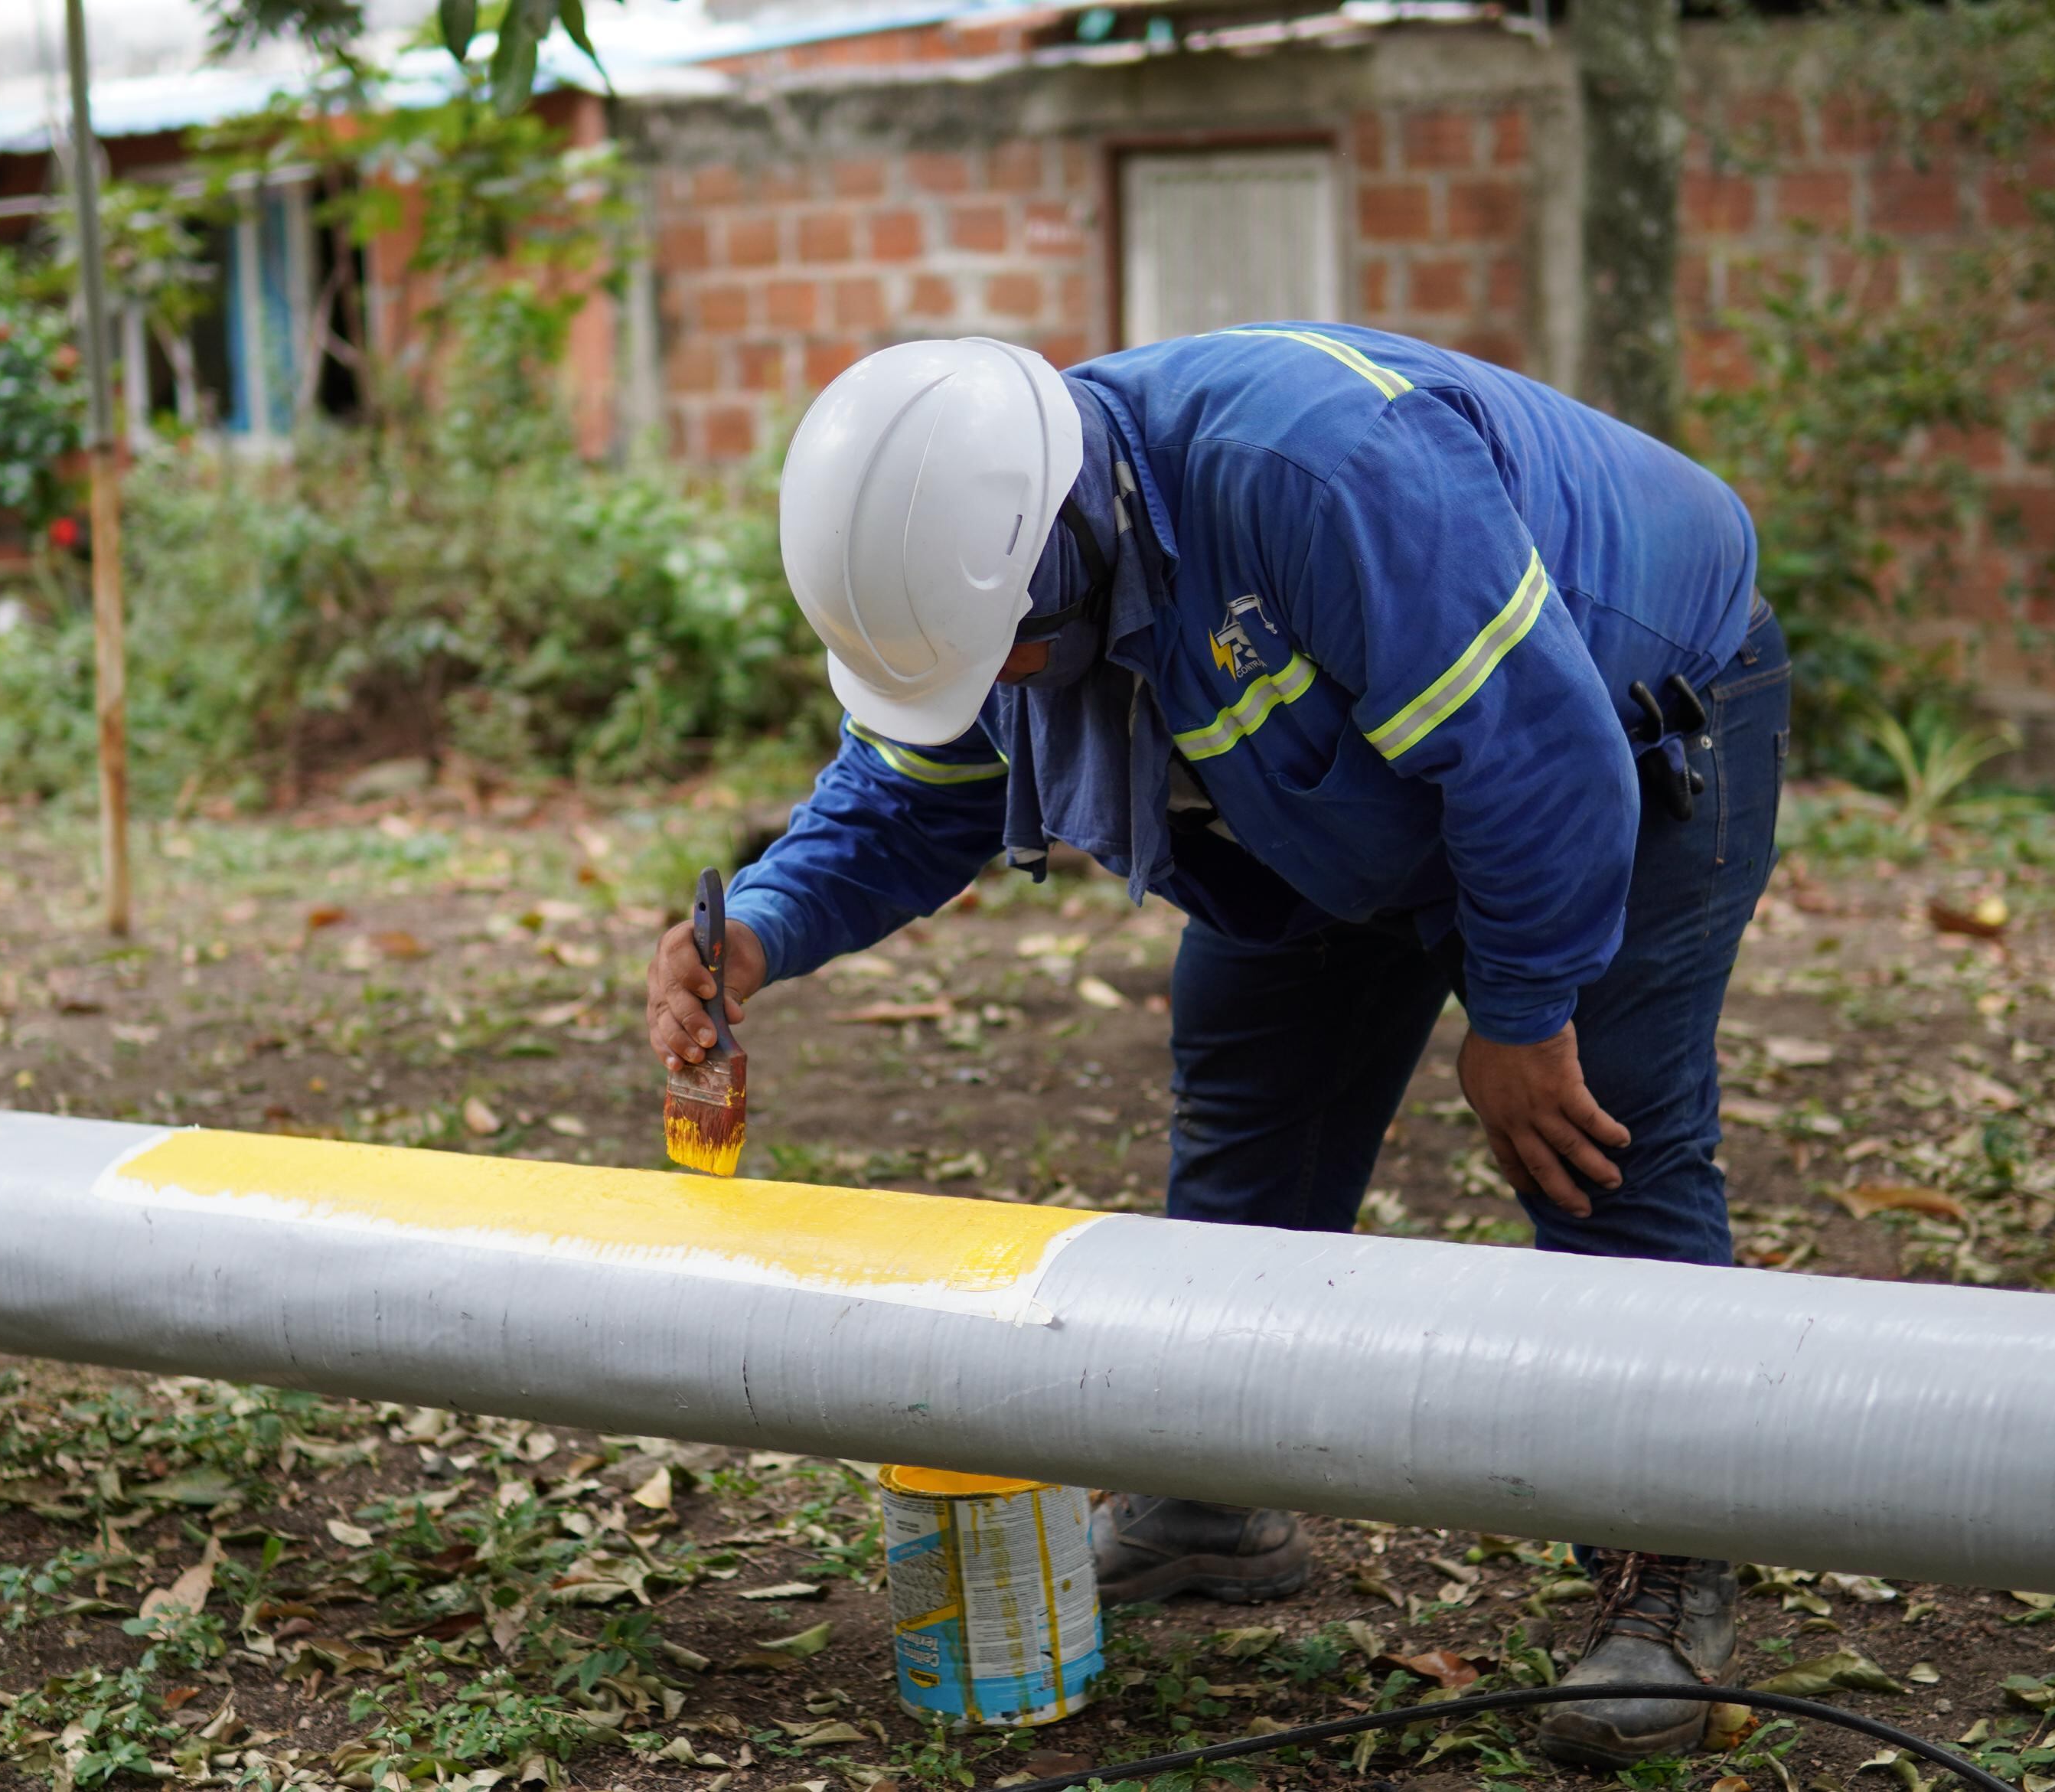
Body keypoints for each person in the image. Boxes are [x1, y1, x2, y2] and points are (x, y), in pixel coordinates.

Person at [642, 325, 1786, 1769]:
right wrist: (759, 924)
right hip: (1334, 790)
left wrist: (1523, 1011)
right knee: (1252, 1104)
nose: (1004, 687)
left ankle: (1669, 1565)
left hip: (1631, 705)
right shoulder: (992, 560)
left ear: (1065, 549)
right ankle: (1209, 1490)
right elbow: (913, 793)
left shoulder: (1316, 476)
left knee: (1601, 1133)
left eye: (1008, 657)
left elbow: (1538, 755)